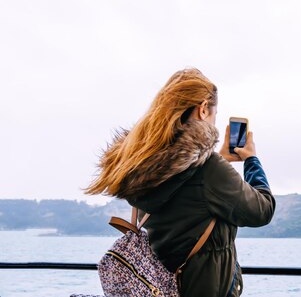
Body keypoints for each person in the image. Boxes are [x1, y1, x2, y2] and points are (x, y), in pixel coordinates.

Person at [86, 68, 275, 297]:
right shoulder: (209, 170)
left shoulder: (142, 164)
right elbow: (262, 210)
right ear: (204, 108)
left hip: (163, 289)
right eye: (215, 114)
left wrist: (218, 159)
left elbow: (186, 190)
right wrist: (251, 161)